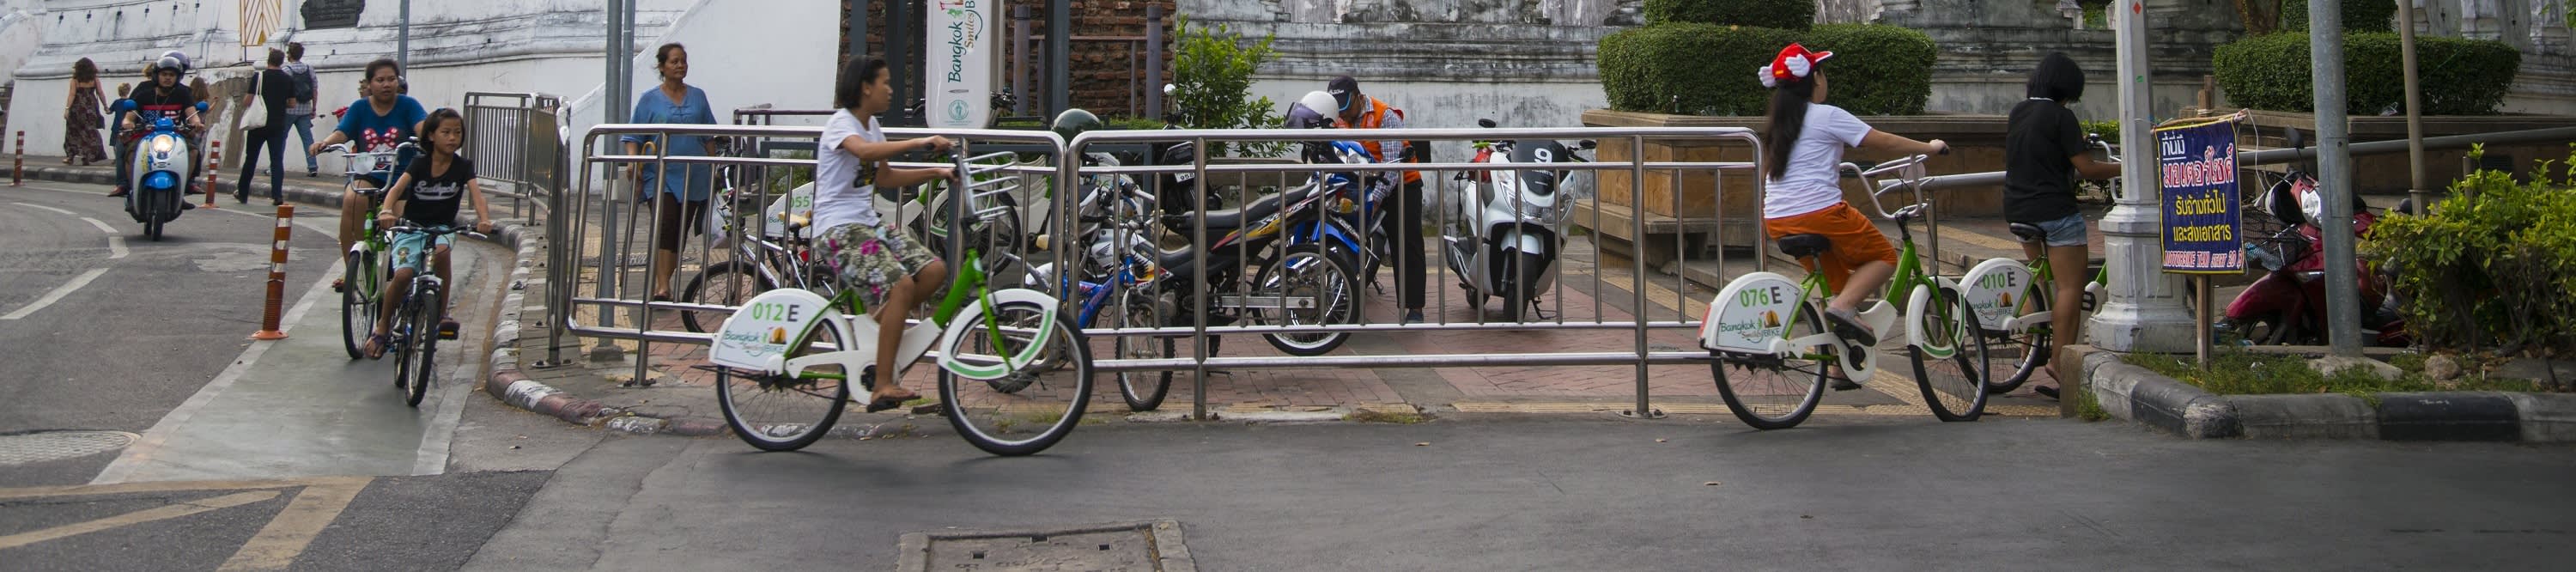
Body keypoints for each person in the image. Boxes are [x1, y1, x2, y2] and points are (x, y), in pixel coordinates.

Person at [1754, 43, 1947, 386]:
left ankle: (1839, 364)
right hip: (1820, 214)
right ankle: (1843, 310)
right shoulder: (1826, 115)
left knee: (1838, 287)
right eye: (1823, 73)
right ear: (1816, 78)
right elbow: (1881, 141)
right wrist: (1928, 148)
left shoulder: (1779, 124)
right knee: (1884, 257)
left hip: (1778, 219)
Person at [812, 56, 956, 411]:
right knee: (901, 286)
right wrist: (920, 142)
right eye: (885, 83)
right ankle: (882, 385)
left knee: (933, 271)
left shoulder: (872, 125)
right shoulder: (841, 124)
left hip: (867, 223)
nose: (891, 90)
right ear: (865, 87)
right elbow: (863, 152)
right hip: (838, 228)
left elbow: (885, 177)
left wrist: (935, 173)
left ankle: (871, 340)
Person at [2003, 52, 2121, 399]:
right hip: (2054, 211)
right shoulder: (2062, 116)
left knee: (2040, 282)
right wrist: (2130, 166)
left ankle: (2026, 354)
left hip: (2017, 208)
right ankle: (2059, 362)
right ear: (2067, 87)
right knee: (2070, 287)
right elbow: (2087, 168)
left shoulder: (2019, 111)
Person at [361, 108, 493, 358]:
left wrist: (484, 220)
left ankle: (442, 313)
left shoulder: (463, 166)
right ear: (431, 135)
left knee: (442, 253)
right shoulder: (419, 163)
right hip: (412, 227)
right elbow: (396, 189)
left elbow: (478, 197)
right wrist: (387, 210)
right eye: (446, 132)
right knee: (403, 274)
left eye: (457, 133)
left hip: (443, 228)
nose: (452, 138)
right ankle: (383, 326)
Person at [1325, 76, 1428, 324]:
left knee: (1406, 244)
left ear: (1359, 98)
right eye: (1339, 110)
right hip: (1360, 186)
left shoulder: (1385, 116)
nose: (1343, 115)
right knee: (1340, 238)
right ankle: (1337, 299)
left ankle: (1414, 308)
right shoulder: (1338, 119)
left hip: (1400, 185)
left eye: (1347, 108)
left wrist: (1375, 200)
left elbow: (1392, 167)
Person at [622, 43, 720, 301]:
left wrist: (714, 168)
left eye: (683, 61)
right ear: (662, 66)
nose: (680, 65)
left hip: (694, 175)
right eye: (674, 61)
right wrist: (632, 161)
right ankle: (663, 287)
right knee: (665, 224)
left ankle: (664, 281)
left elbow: (709, 136)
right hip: (660, 174)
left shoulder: (698, 96)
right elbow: (632, 136)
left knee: (679, 232)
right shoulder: (649, 99)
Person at [310, 58, 429, 264]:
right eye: (380, 80)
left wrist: (429, 139)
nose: (386, 84)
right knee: (352, 199)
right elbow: (342, 133)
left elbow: (423, 128)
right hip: (368, 173)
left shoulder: (409, 105)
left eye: (391, 79)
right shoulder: (359, 108)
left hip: (402, 177)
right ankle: (354, 265)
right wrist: (325, 143)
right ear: (370, 84)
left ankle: (402, 270)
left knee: (404, 223)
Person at [113, 54, 204, 199]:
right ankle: (129, 188)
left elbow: (192, 114)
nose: (167, 78)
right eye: (164, 74)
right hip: (145, 135)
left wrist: (197, 123)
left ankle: (184, 187)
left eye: (172, 75)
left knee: (193, 150)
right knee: (129, 152)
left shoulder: (183, 93)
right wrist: (127, 123)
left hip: (175, 135)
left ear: (178, 77)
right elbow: (129, 117)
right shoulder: (143, 92)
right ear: (156, 76)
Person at [235, 48, 301, 206]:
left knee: (251, 159)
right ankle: (277, 195)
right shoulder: (288, 79)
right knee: (277, 160)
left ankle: (243, 193)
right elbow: (292, 104)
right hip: (278, 124)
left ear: (268, 60)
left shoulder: (259, 77)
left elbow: (247, 101)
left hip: (258, 124)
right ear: (282, 62)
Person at [282, 42, 322, 177]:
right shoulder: (309, 69)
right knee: (307, 139)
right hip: (305, 110)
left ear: (290, 54)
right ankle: (312, 167)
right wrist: (314, 108)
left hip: (289, 110)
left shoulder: (286, 70)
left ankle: (275, 166)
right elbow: (315, 89)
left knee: (281, 139)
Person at [63, 58, 110, 166]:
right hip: (90, 108)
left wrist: (67, 109)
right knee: (89, 131)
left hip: (77, 109)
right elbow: (100, 93)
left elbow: (72, 95)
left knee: (73, 131)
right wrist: (105, 106)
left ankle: (70, 157)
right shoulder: (94, 79)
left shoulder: (75, 80)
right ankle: (87, 156)